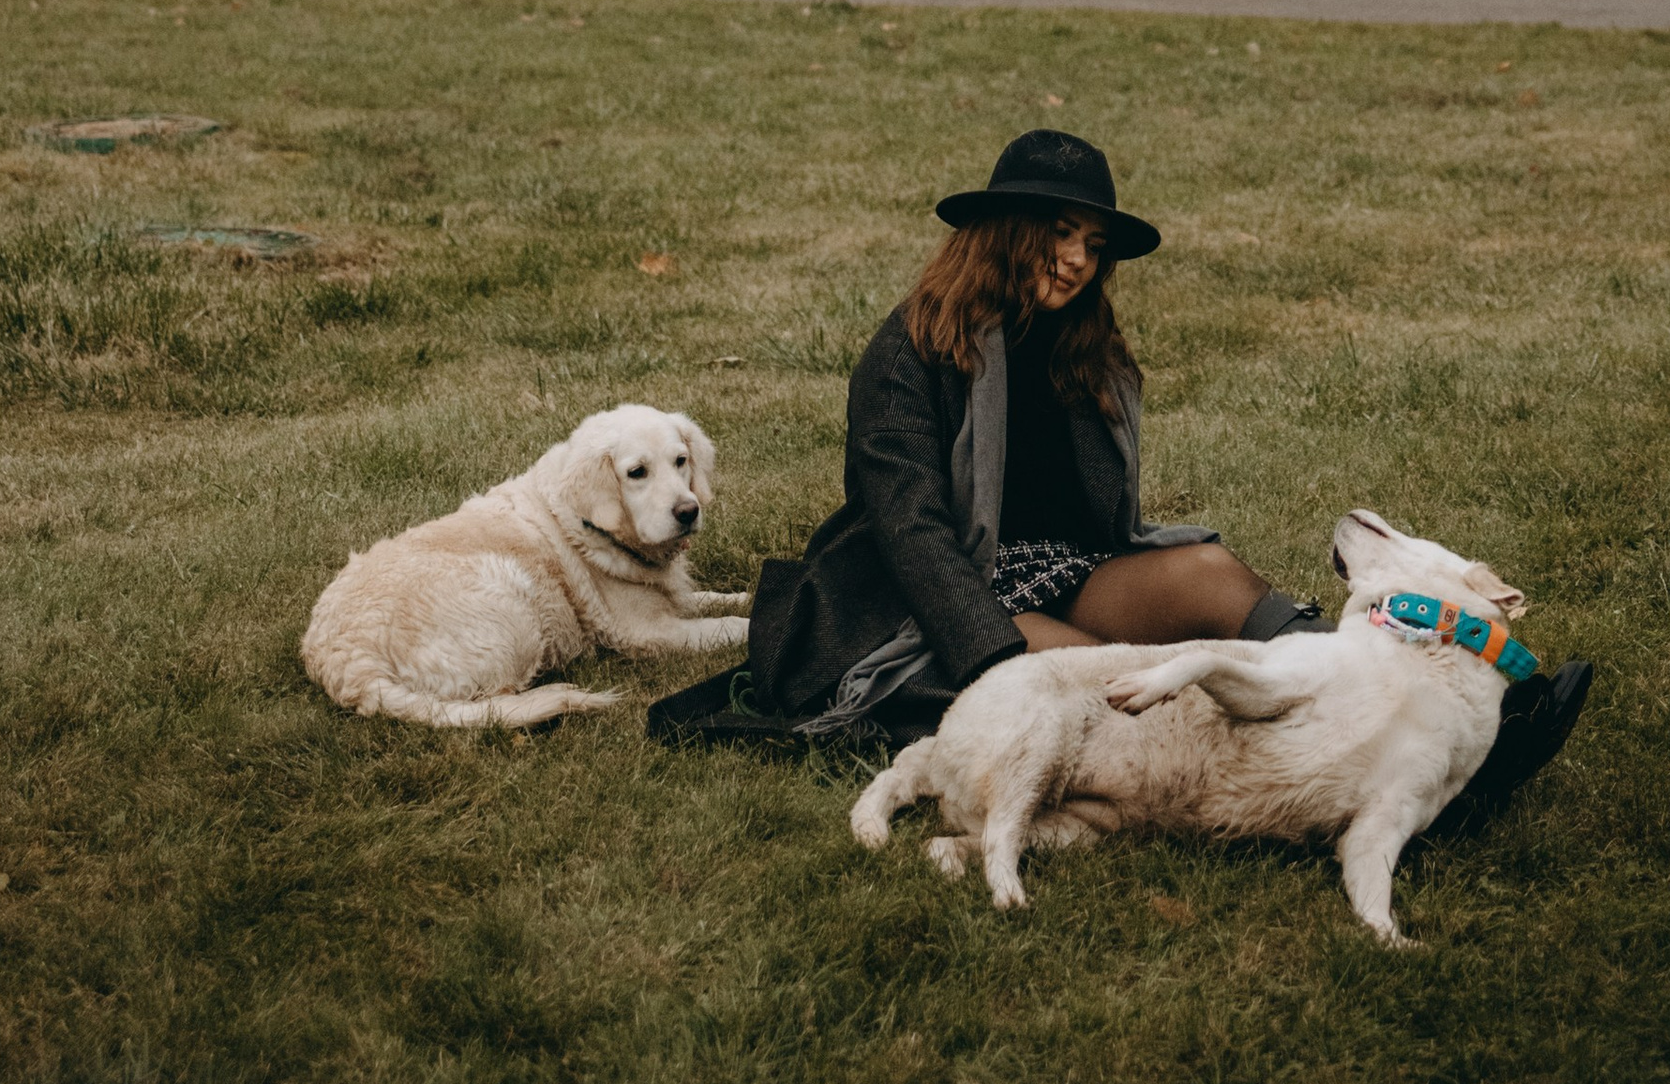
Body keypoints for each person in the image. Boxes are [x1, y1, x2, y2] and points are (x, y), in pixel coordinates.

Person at [653, 128, 1589, 822]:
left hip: (1055, 566)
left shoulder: (1083, 346)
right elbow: (912, 532)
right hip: (928, 591)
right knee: (1117, 684)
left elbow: (1104, 521)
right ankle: (1384, 785)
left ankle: (1463, 713)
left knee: (1210, 574)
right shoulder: (908, 352)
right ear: (1004, 231)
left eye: (1093, 245)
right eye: (1059, 233)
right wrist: (997, 658)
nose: (1077, 259)